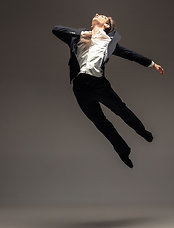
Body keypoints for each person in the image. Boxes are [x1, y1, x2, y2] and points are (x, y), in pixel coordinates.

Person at [52, 13, 164, 168]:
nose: (97, 14)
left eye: (102, 16)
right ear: (92, 25)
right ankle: (123, 151)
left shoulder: (108, 42)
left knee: (121, 110)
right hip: (80, 87)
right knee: (101, 123)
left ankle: (142, 132)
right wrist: (83, 33)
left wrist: (152, 64)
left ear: (106, 25)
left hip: (98, 84)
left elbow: (130, 55)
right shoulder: (78, 38)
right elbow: (56, 29)